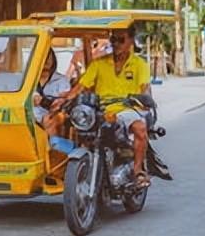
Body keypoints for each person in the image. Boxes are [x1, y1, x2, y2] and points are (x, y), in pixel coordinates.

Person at [53, 25, 152, 189]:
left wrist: (143, 100)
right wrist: (65, 100)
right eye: (113, 39)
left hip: (127, 109)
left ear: (130, 41)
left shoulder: (140, 64)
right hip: (101, 110)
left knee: (140, 128)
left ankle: (137, 171)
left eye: (121, 40)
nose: (116, 44)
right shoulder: (99, 63)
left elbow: (144, 88)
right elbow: (81, 86)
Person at [33, 48, 70, 135]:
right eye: (43, 56)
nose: (46, 60)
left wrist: (46, 103)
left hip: (51, 119)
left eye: (48, 57)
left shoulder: (61, 81)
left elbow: (65, 103)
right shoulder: (27, 80)